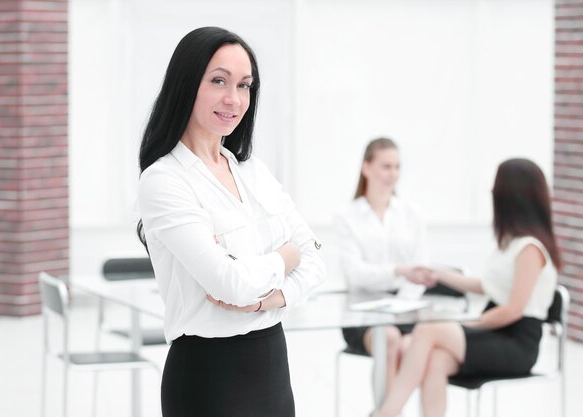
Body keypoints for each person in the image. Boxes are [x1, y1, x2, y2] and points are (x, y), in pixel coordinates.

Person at [137, 27, 326, 417]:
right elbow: (230, 284)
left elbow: (317, 261)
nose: (234, 99)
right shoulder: (164, 181)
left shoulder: (252, 171)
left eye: (244, 85)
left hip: (272, 364)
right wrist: (286, 257)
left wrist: (273, 298)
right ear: (186, 84)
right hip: (208, 377)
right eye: (219, 81)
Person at [371, 158, 561, 417]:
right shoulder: (511, 243)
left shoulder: (529, 249)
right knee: (436, 360)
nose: (491, 192)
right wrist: (438, 273)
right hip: (499, 332)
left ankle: (385, 413)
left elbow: (514, 310)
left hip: (517, 342)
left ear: (510, 195)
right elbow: (485, 286)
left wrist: (466, 323)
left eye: (496, 186)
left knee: (429, 329)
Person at [332, 137, 429, 392]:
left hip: (406, 310)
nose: (393, 174)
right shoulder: (347, 217)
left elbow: (420, 271)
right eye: (386, 166)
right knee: (389, 338)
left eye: (397, 167)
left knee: (412, 345)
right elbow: (356, 276)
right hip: (362, 315)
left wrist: (404, 301)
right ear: (366, 168)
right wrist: (398, 271)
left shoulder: (412, 214)